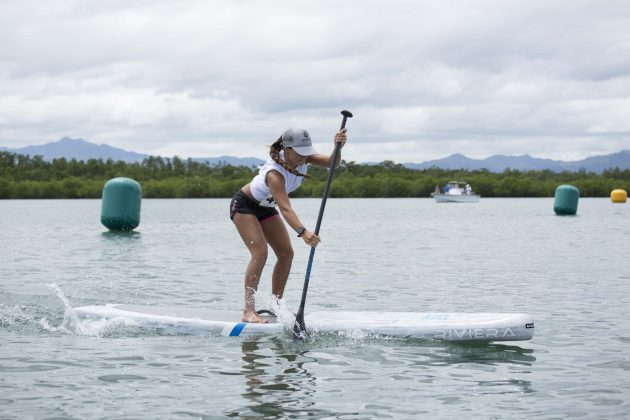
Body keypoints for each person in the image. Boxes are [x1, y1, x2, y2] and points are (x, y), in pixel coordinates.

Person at [230, 126, 348, 323]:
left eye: (306, 152)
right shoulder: (274, 174)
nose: (304, 158)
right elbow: (285, 208)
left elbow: (332, 163)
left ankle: (275, 306)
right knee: (260, 253)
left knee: (286, 253)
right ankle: (248, 311)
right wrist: (303, 232)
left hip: (266, 208)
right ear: (288, 149)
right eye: (300, 153)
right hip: (245, 206)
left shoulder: (303, 157)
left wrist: (338, 147)